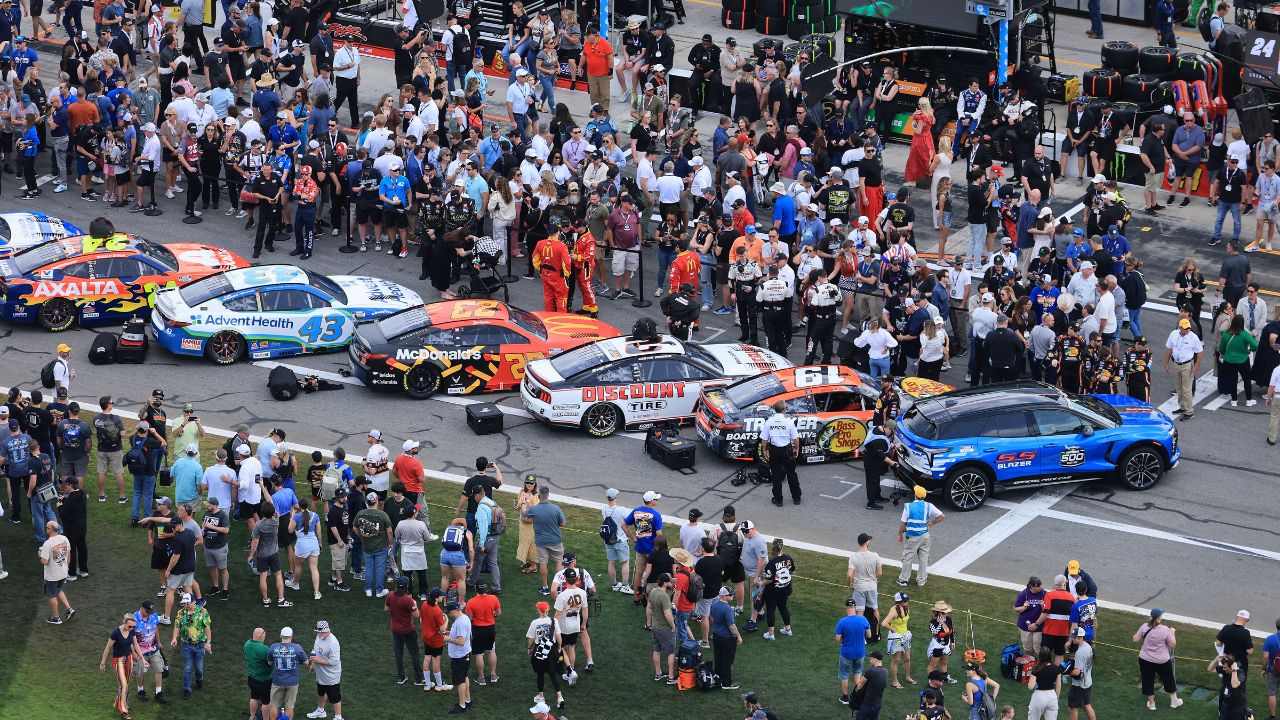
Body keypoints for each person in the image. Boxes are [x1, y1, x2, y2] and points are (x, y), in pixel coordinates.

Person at [1134, 607, 1184, 710]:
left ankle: (1152, 704)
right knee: (1168, 678)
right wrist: (1172, 632)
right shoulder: (1165, 629)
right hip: (1162, 661)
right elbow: (1172, 644)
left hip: (1145, 659)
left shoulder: (1144, 626)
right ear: (1160, 617)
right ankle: (1174, 701)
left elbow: (1135, 639)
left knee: (1147, 679)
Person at [897, 486, 944, 586]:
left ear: (915, 495)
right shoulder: (929, 506)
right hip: (925, 535)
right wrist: (932, 523)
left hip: (912, 536)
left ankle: (903, 580)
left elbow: (903, 523)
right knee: (923, 558)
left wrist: (900, 533)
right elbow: (941, 516)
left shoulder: (908, 506)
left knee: (908, 557)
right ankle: (921, 581)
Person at [524, 485, 566, 596]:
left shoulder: (534, 509)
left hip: (541, 542)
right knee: (559, 561)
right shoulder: (556, 508)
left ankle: (545, 587)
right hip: (556, 540)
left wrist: (524, 502)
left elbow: (525, 513)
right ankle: (559, 587)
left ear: (538, 495)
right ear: (548, 495)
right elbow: (563, 523)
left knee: (543, 563)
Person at [101, 612, 144, 720]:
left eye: (133, 627)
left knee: (125, 684)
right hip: (118, 660)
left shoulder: (131, 631)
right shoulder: (116, 633)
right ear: (124, 623)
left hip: (128, 658)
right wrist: (103, 663)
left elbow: (135, 644)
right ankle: (124, 711)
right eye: (129, 626)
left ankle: (119, 701)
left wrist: (142, 658)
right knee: (124, 685)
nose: (131, 628)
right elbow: (108, 648)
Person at [169, 592, 211, 699]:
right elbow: (177, 627)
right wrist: (174, 638)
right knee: (187, 668)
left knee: (199, 668)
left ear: (194, 602)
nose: (186, 606)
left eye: (188, 603)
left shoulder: (202, 612)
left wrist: (208, 642)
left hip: (199, 645)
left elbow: (207, 627)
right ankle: (187, 689)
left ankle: (199, 679)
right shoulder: (180, 613)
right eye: (184, 603)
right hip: (186, 645)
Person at [761, 402, 801, 507]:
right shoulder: (789, 422)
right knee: (792, 474)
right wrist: (797, 449)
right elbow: (795, 438)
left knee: (776, 476)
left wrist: (764, 450)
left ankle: (778, 500)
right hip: (787, 451)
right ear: (784, 410)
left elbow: (764, 439)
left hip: (774, 451)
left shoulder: (769, 422)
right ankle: (796, 498)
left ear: (775, 410)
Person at [386, 575, 424, 685]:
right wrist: (415, 605)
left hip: (395, 629)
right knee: (414, 653)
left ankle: (401, 677)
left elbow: (386, 608)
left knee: (398, 653)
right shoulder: (408, 600)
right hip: (408, 630)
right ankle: (418, 678)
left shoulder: (391, 595)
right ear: (407, 586)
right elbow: (417, 615)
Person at [353, 491, 392, 598]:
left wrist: (361, 536)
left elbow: (355, 527)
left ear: (367, 501)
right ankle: (379, 591)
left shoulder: (361, 513)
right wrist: (390, 543)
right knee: (380, 569)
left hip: (366, 546)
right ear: (377, 501)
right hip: (380, 546)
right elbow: (389, 531)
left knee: (369, 568)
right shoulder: (382, 514)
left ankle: (368, 590)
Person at [526, 599, 564, 708]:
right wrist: (559, 647)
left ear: (539, 610)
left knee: (540, 673)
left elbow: (531, 638)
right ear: (548, 610)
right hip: (552, 649)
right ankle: (560, 698)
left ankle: (541, 696)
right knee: (553, 673)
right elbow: (558, 636)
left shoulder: (535, 622)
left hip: (539, 649)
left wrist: (529, 648)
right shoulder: (554, 621)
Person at [554, 567, 589, 683]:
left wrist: (552, 626)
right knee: (572, 647)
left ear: (565, 579)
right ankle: (571, 669)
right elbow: (585, 611)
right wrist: (583, 624)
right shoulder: (582, 593)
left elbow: (558, 614)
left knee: (561, 647)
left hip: (564, 626)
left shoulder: (562, 596)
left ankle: (569, 670)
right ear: (577, 579)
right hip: (575, 624)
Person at [1164, 318, 1203, 421]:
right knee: (1178, 387)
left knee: (1186, 390)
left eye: (1188, 328)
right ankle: (1182, 407)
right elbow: (1169, 348)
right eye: (1185, 328)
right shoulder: (1173, 334)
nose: (1187, 330)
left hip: (1187, 365)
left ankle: (1189, 412)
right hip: (1176, 364)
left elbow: (1199, 352)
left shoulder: (1193, 337)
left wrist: (1196, 367)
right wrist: (1166, 363)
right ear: (1180, 327)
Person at [836, 597, 873, 705]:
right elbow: (869, 635)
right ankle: (859, 696)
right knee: (857, 673)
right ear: (855, 607)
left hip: (846, 653)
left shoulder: (842, 621)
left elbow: (838, 639)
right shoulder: (863, 619)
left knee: (844, 674)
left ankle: (845, 698)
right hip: (860, 652)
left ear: (846, 608)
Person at [267, 627, 308, 720]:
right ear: (291, 636)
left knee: (274, 705)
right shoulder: (297, 647)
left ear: (281, 636)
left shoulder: (273, 647)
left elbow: (269, 663)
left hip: (277, 681)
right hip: (292, 682)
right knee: (289, 707)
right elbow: (306, 662)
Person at [38, 519, 74, 625]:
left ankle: (56, 618)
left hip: (52, 575)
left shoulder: (47, 544)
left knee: (51, 595)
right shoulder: (64, 538)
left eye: (46, 527)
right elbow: (68, 554)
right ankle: (69, 609)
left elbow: (44, 561)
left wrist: (39, 555)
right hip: (63, 572)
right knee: (58, 589)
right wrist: (66, 567)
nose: (45, 529)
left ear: (50, 530)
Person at [306, 620, 343, 720]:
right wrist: (313, 664)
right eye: (318, 632)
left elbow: (334, 662)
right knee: (321, 692)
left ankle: (338, 717)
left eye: (320, 632)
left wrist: (318, 660)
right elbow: (315, 651)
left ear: (326, 631)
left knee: (335, 696)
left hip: (331, 675)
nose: (318, 634)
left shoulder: (333, 643)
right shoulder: (319, 637)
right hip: (320, 672)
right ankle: (320, 711)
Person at [466, 581, 502, 685]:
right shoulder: (494, 598)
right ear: (485, 589)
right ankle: (493, 675)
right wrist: (492, 616)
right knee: (491, 651)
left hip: (478, 629)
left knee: (479, 654)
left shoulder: (471, 602)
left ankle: (481, 678)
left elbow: (469, 618)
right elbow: (499, 613)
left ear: (476, 589)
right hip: (490, 628)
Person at [760, 538, 795, 641]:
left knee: (771, 610)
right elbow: (791, 570)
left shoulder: (771, 563)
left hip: (773, 591)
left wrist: (760, 583)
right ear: (782, 547)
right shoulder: (788, 558)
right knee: (783, 607)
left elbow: (768, 580)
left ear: (773, 548)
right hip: (786, 588)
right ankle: (788, 630)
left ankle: (771, 634)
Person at [647, 572, 678, 684]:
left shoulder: (653, 591)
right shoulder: (664, 596)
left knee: (657, 650)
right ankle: (671, 677)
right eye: (669, 581)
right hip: (665, 628)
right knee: (671, 652)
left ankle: (658, 673)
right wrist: (673, 626)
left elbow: (649, 607)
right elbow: (668, 615)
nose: (671, 583)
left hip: (655, 627)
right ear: (665, 583)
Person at [881, 592, 914, 688]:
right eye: (905, 600)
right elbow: (884, 623)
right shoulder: (893, 611)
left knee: (907, 658)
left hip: (905, 636)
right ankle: (895, 681)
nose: (907, 601)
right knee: (896, 660)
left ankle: (908, 677)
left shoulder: (905, 608)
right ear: (899, 602)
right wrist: (893, 629)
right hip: (896, 638)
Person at [445, 601, 473, 714]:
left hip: (460, 656)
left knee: (460, 681)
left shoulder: (460, 622)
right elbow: (462, 636)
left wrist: (448, 639)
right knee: (464, 677)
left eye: (449, 612)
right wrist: (450, 633)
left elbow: (461, 641)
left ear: (453, 611)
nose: (449, 615)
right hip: (464, 655)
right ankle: (468, 700)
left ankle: (462, 706)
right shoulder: (464, 617)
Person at [1027, 647, 1064, 720]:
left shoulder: (1036, 669)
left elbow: (1030, 687)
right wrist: (1057, 698)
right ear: (1050, 656)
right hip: (1052, 697)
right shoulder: (1056, 669)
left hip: (1039, 697)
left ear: (1040, 656)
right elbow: (1058, 685)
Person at [1014, 577, 1047, 658]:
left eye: (1040, 585)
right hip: (1025, 626)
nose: (1040, 587)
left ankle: (1040, 664)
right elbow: (1016, 608)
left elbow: (1049, 610)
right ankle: (1030, 664)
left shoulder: (1044, 594)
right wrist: (1024, 607)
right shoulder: (1023, 594)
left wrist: (1044, 605)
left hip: (1039, 626)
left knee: (1037, 648)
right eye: (1038, 586)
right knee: (1028, 648)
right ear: (1031, 586)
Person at [1067, 627, 1095, 720]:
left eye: (1074, 637)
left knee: (1073, 708)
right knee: (1087, 705)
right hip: (1088, 681)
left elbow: (1077, 672)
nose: (1072, 639)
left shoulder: (1080, 652)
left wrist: (1067, 672)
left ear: (1081, 637)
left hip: (1079, 685)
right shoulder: (1088, 646)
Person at [854, 651, 890, 720]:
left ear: (875, 659)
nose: (870, 661)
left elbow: (859, 685)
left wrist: (854, 693)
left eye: (871, 659)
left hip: (868, 704)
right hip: (878, 704)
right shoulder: (885, 671)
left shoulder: (871, 671)